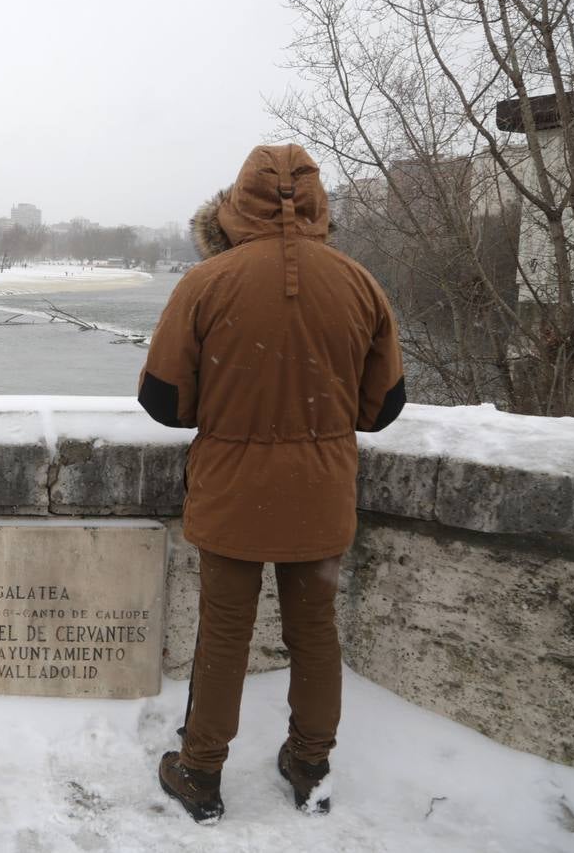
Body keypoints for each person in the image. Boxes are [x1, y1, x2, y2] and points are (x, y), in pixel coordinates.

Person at [138, 144, 404, 823]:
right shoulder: (357, 283)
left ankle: (199, 772)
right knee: (314, 630)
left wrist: (230, 408)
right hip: (320, 492)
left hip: (233, 491)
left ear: (234, 206)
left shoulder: (207, 282)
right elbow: (383, 408)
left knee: (224, 632)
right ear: (318, 205)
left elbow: (165, 402)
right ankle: (310, 762)